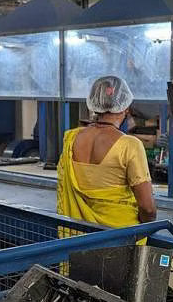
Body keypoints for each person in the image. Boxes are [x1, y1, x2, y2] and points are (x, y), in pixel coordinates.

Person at [57, 76, 156, 228]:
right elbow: (148, 209)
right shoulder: (130, 145)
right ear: (126, 107)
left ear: (93, 104)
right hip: (119, 239)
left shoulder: (71, 139)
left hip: (76, 238)